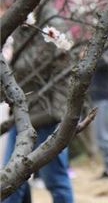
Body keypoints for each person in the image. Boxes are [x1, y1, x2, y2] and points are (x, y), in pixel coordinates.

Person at [1, 13, 74, 203]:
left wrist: (57, 114)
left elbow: (64, 78)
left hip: (48, 117)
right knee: (11, 181)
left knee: (56, 181)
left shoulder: (54, 26)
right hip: (23, 116)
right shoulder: (21, 25)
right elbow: (17, 72)